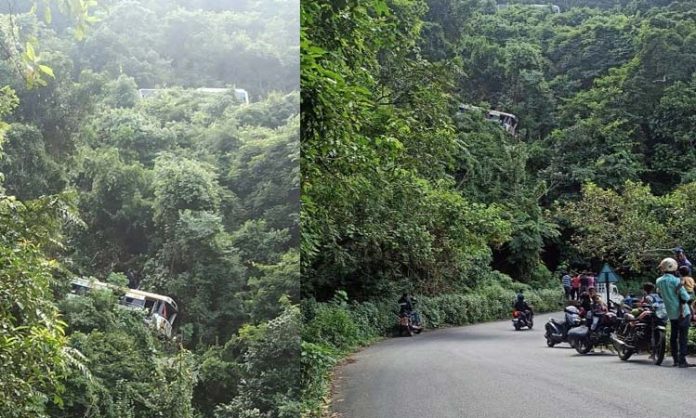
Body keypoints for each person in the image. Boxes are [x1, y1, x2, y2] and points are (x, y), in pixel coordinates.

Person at [655, 257, 693, 368]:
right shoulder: (676, 281)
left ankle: (675, 360)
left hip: (671, 313)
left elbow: (660, 294)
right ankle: (682, 361)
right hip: (683, 312)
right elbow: (685, 297)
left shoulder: (659, 281)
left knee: (673, 336)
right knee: (683, 337)